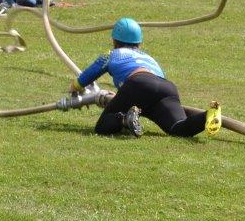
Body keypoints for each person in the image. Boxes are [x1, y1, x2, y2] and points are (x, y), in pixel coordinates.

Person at [70, 18, 221, 139]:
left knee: (102, 126)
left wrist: (74, 88)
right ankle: (208, 114)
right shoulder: (149, 58)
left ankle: (125, 119)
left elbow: (83, 79)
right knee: (178, 128)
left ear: (114, 40)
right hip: (166, 87)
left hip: (138, 84)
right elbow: (153, 84)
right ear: (139, 42)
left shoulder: (111, 55)